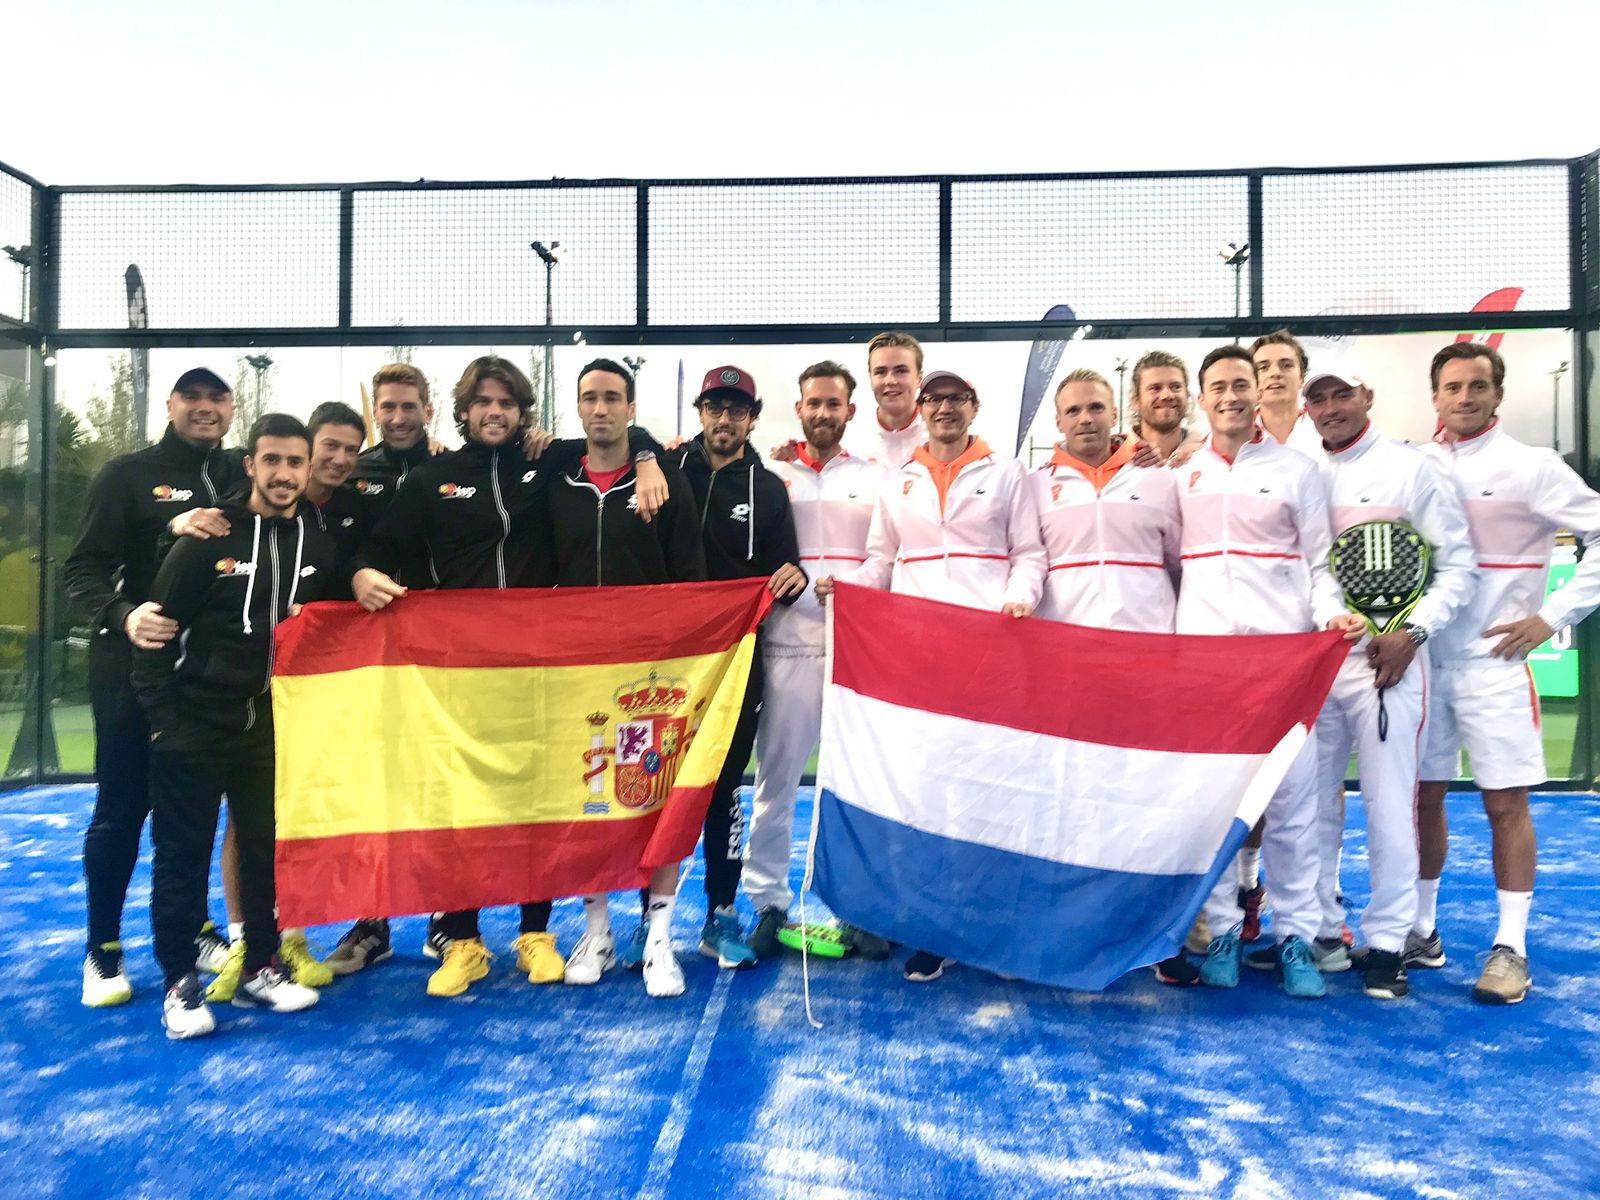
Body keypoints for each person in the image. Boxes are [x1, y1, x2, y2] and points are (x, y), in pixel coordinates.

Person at [815, 368, 1046, 982]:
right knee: (928, 794)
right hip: (919, 663)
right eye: (935, 400)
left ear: (973, 407)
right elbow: (881, 561)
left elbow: (1030, 554)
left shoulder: (1007, 474)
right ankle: (933, 927)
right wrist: (847, 587)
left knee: (989, 792)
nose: (944, 409)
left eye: (955, 399)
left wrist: (1018, 597)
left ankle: (988, 924)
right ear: (921, 409)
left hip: (990, 656)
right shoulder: (899, 481)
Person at [132, 414, 344, 1038]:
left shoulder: (319, 543)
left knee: (262, 852)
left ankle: (260, 967)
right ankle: (179, 983)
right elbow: (155, 633)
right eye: (271, 461)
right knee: (183, 856)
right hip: (193, 725)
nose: (283, 474)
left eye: (295, 463)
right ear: (248, 465)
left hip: (268, 728)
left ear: (308, 471)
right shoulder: (208, 536)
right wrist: (164, 724)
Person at [1272, 363, 1474, 1000]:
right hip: (1318, 666)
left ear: (1368, 396)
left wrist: (1410, 632)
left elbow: (1457, 567)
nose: (1330, 406)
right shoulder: (1301, 470)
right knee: (1309, 803)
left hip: (1392, 665)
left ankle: (1388, 943)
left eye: (1341, 394)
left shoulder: (1415, 470)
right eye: (1319, 397)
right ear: (1305, 407)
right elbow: (1307, 565)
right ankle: (1323, 932)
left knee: (1389, 805)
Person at [1175, 345, 1365, 999]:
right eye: (1217, 387)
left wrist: (1332, 614)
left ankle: (1296, 939)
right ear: (1202, 400)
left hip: (1285, 666)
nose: (1229, 396)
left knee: (1291, 811)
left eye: (1240, 384)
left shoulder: (1296, 470)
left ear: (1258, 393)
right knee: (1218, 811)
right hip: (1206, 671)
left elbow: (1321, 565)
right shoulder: (1182, 474)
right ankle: (1224, 931)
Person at [1415, 342, 1600, 1004]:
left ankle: (1510, 948)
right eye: (1452, 387)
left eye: (1477, 386)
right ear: (1434, 395)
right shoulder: (1414, 465)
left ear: (1497, 393)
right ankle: (1421, 931)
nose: (1464, 397)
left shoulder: (1533, 467)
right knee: (1420, 799)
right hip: (1423, 662)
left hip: (1495, 664)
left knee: (1504, 805)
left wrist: (1551, 617)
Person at [66, 366, 245, 1008]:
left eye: (216, 398)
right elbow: (81, 568)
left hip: (203, 678)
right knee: (122, 809)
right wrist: (125, 613)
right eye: (191, 397)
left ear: (231, 407)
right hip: (127, 670)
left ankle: (194, 931)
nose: (204, 407)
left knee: (190, 811)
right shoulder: (127, 474)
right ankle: (103, 949)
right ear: (171, 405)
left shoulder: (240, 474)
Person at [530, 359, 707, 998]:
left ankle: (657, 935)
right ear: (577, 409)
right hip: (578, 673)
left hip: (649, 675)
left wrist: (649, 456)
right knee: (590, 799)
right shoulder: (554, 479)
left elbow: (691, 576)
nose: (600, 408)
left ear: (632, 409)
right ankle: (597, 928)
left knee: (651, 793)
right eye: (588, 398)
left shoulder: (665, 480)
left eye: (612, 398)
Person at [1028, 368, 1192, 983]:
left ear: (1114, 412)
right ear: (1059, 422)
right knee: (1068, 802)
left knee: (1144, 801)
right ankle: (1068, 928)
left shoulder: (1158, 480)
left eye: (1097, 407)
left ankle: (1156, 936)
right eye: (1074, 411)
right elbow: (1025, 560)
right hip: (1064, 667)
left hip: (1144, 667)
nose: (1086, 419)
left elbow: (1182, 564)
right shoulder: (1035, 487)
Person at [744, 361, 887, 959]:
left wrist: (851, 587)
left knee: (858, 785)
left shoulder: (876, 477)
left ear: (850, 411)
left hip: (858, 649)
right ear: (798, 410)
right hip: (786, 646)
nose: (823, 412)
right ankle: (765, 901)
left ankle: (860, 908)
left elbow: (886, 554)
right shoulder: (770, 474)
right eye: (813, 403)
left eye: (834, 403)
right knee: (776, 781)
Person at [667, 366, 805, 971]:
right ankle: (647, 923)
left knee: (723, 785)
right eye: (714, 408)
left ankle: (719, 913)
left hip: (734, 665)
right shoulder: (664, 470)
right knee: (649, 783)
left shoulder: (769, 489)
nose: (724, 419)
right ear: (700, 412)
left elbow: (787, 571)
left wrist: (794, 581)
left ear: (752, 416)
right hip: (662, 667)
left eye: (736, 409)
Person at [1127, 351, 1194, 465]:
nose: (1167, 395)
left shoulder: (1205, 457)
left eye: (1175, 387)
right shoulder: (1115, 456)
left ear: (1187, 396)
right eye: (1155, 388)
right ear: (1135, 400)